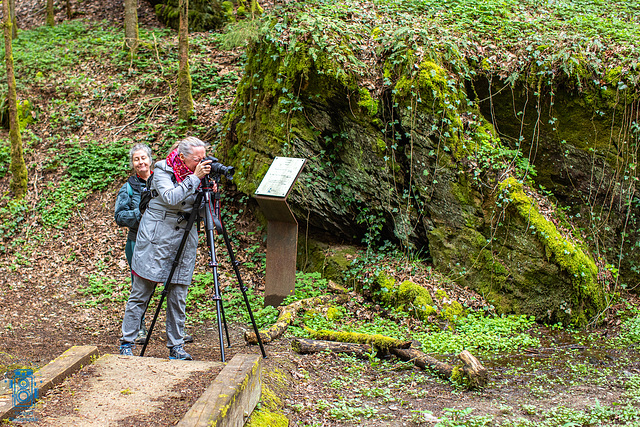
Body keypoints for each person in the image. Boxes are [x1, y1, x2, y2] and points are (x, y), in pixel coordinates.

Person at [119, 136, 214, 360]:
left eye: (204, 158)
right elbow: (171, 197)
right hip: (156, 237)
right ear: (182, 157)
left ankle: (176, 346)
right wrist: (195, 179)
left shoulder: (200, 175)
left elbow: (200, 211)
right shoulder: (163, 170)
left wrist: (208, 193)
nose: (202, 163)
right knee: (142, 291)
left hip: (184, 237)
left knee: (178, 293)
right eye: (197, 159)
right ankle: (127, 343)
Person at [114, 143, 154, 345]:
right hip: (136, 242)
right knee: (138, 285)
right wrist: (141, 213)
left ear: (150, 159)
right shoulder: (128, 187)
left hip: (161, 242)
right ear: (132, 163)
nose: (141, 162)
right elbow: (119, 216)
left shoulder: (162, 180)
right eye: (136, 159)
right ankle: (138, 328)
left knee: (171, 284)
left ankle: (176, 331)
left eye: (143, 158)